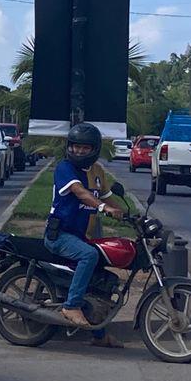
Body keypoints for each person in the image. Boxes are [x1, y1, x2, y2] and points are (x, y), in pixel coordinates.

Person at [46, 123, 125, 331]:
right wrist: (102, 208)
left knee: (100, 276)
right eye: (75, 146)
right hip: (60, 235)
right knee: (89, 256)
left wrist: (130, 217)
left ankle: (100, 335)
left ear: (94, 149)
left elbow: (108, 198)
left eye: (84, 148)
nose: (78, 151)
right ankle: (71, 306)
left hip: (81, 236)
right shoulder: (65, 168)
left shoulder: (97, 171)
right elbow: (80, 192)